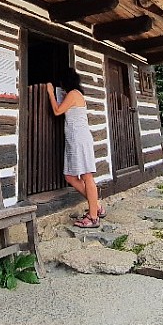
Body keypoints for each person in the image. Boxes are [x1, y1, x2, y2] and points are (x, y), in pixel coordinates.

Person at [46, 68, 103, 228]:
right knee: (70, 177)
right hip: (73, 139)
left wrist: (51, 92)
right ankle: (96, 206)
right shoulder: (72, 95)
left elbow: (57, 111)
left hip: (80, 139)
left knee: (87, 176)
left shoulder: (74, 94)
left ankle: (93, 217)